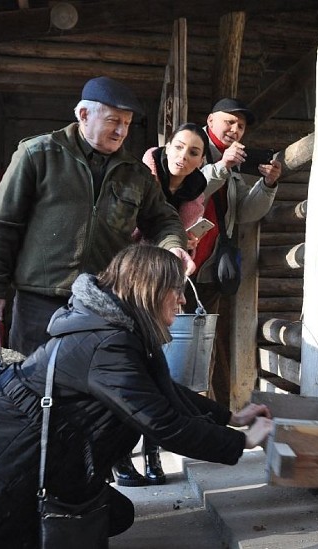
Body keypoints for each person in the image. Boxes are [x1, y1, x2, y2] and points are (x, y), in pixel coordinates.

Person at [0, 244, 274, 549]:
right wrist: (240, 442)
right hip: (5, 446)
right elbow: (163, 424)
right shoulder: (107, 342)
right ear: (149, 290)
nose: (182, 299)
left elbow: (159, 391)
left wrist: (230, 418)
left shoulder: (114, 328)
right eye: (176, 289)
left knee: (112, 515)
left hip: (19, 434)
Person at [0, 76, 195, 358]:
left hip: (104, 302)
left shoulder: (136, 173)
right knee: (33, 385)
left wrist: (173, 245)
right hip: (41, 299)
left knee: (93, 388)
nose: (121, 131)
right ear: (83, 115)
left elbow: (164, 219)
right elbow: (3, 225)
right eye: (113, 121)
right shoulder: (38, 155)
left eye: (127, 123)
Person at [113, 122, 211, 487]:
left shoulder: (194, 193)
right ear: (165, 146)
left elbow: (186, 246)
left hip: (161, 288)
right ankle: (119, 456)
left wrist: (187, 249)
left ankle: (153, 452)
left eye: (193, 153)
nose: (182, 157)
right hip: (126, 283)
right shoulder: (139, 174)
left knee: (158, 374)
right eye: (178, 147)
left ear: (201, 162)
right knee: (126, 374)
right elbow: (122, 230)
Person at [192, 98, 282, 406]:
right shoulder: (190, 146)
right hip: (177, 266)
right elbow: (186, 192)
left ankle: (211, 412)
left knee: (206, 344)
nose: (236, 129)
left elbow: (244, 211)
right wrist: (221, 165)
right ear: (210, 119)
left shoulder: (233, 165)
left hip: (208, 268)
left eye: (240, 126)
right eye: (229, 121)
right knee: (176, 343)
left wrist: (268, 184)